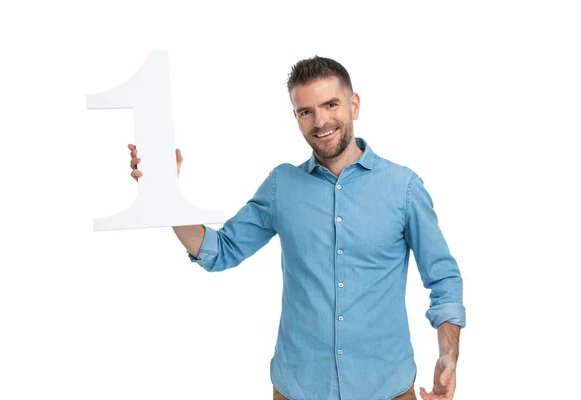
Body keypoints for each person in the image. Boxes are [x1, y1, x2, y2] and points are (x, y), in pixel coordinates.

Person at [128, 56, 465, 400]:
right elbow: (221, 251)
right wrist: (164, 193)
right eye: (306, 111)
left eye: (330, 104)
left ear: (354, 105)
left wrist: (448, 354)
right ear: (296, 118)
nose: (320, 121)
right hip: (298, 390)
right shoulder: (281, 186)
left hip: (387, 390)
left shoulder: (403, 188)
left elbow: (444, 279)